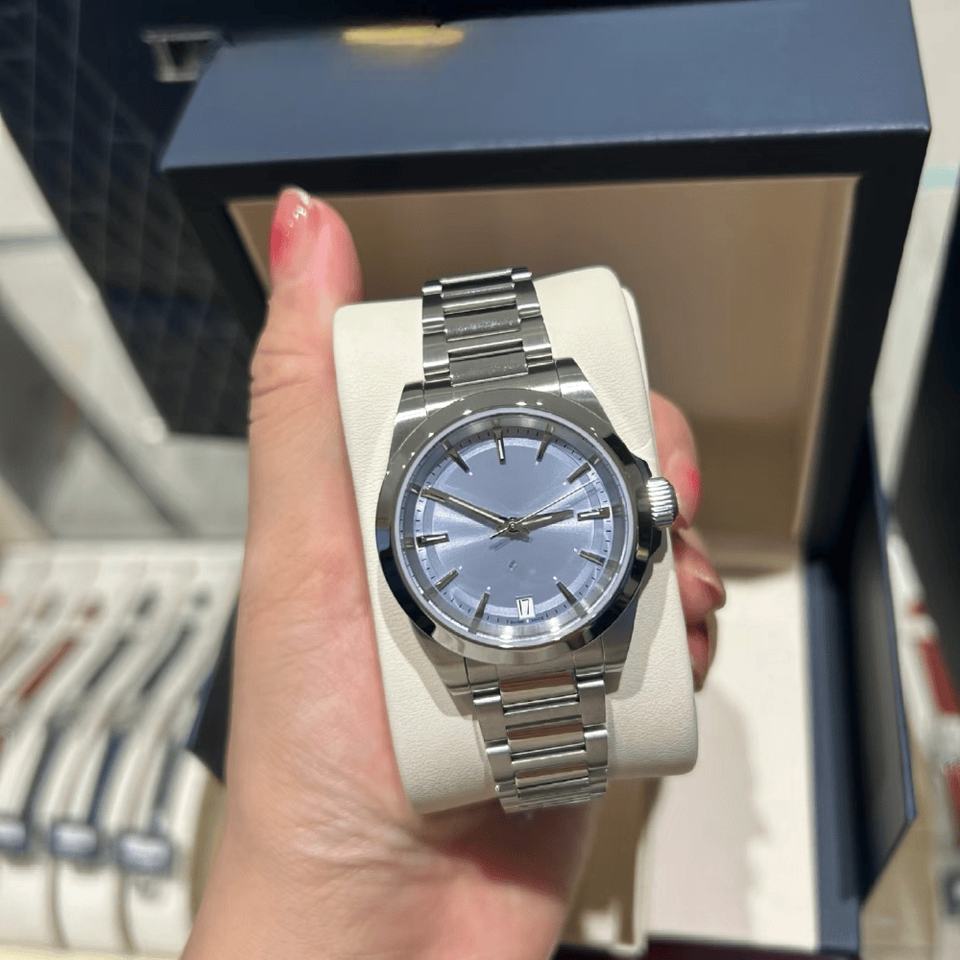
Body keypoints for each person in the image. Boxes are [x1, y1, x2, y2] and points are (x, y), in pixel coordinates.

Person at [184, 188, 725, 960]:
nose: (512, 527)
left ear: (649, 501)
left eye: (522, 521)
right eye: (497, 524)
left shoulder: (576, 414)